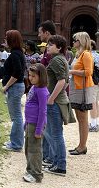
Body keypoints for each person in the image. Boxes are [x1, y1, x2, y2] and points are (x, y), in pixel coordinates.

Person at [43, 35, 69, 176]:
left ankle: (60, 166)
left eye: (51, 45)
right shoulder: (61, 59)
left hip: (55, 103)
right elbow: (66, 81)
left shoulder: (56, 60)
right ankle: (56, 162)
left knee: (55, 135)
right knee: (53, 133)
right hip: (59, 101)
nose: (48, 46)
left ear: (59, 47)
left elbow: (61, 81)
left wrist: (51, 98)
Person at [68, 32, 94, 155]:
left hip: (83, 89)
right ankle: (80, 145)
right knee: (80, 118)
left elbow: (88, 72)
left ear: (81, 41)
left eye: (75, 40)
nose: (73, 42)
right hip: (78, 88)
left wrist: (72, 71)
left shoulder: (86, 54)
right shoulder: (78, 54)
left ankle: (82, 146)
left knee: (83, 119)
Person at [23, 63, 49, 183]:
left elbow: (43, 111)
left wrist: (39, 130)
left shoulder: (42, 91)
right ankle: (30, 170)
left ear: (41, 76)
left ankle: (36, 174)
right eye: (30, 75)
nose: (30, 78)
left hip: (36, 125)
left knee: (35, 150)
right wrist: (26, 123)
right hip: (30, 123)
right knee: (28, 148)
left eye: (33, 76)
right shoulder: (34, 87)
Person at [1, 30, 26, 152]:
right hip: (16, 87)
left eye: (7, 38)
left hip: (15, 87)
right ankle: (15, 140)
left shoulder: (15, 54)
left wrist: (6, 86)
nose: (4, 39)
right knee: (16, 116)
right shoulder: (17, 52)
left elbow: (17, 73)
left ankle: (16, 144)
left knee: (16, 117)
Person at [37, 20, 56, 167]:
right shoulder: (48, 49)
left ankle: (49, 157)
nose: (39, 35)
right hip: (46, 89)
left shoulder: (52, 50)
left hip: (49, 91)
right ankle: (46, 155)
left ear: (47, 33)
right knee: (45, 124)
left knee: (48, 125)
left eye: (40, 32)